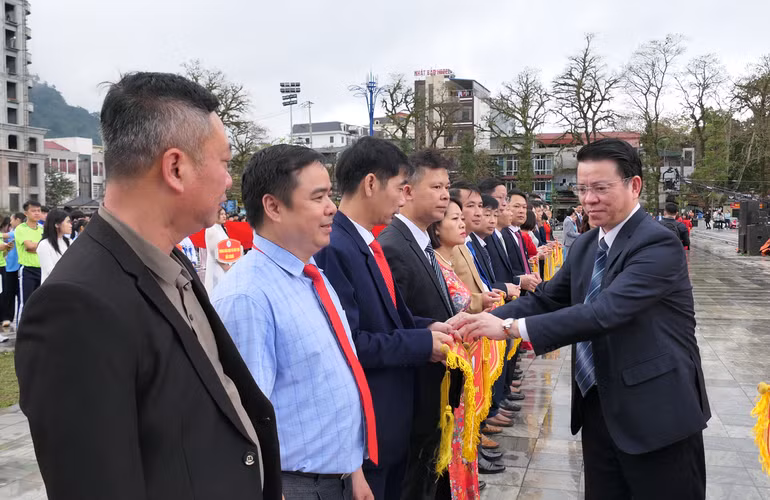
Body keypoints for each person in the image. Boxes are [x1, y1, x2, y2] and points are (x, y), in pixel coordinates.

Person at [15, 72, 281, 500]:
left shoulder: (172, 260)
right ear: (175, 168)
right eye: (224, 162)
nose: (229, 180)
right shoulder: (75, 306)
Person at [450, 138, 710, 500]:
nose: (589, 199)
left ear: (634, 185)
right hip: (599, 407)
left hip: (657, 413)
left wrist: (509, 329)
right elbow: (546, 299)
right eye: (583, 189)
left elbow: (605, 312)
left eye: (600, 188)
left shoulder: (657, 243)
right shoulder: (588, 245)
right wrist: (478, 322)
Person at [213, 144, 376, 500]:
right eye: (318, 197)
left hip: (338, 477)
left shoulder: (311, 273)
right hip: (295, 485)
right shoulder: (248, 297)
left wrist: (354, 470)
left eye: (329, 195)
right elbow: (244, 423)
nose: (332, 207)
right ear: (273, 207)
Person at [313, 137, 456, 499]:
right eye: (399, 188)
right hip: (370, 423)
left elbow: (391, 318)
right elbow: (351, 343)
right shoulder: (335, 248)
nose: (402, 200)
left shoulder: (364, 242)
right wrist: (423, 344)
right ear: (371, 184)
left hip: (392, 420)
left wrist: (429, 327)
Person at [377, 149, 458, 500]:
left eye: (447, 187)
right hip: (414, 396)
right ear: (407, 191)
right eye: (436, 187)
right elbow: (391, 324)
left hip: (433, 392)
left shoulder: (421, 243)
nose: (445, 195)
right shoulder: (392, 246)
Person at [426, 195, 489, 488]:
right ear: (436, 228)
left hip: (467, 362)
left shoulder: (451, 261)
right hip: (452, 362)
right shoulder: (435, 264)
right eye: (455, 219)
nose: (463, 223)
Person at [15, 200, 44, 310]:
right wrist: (39, 246)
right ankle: (22, 322)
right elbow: (29, 247)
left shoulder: (42, 229)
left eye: (39, 211)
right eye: (33, 211)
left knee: (40, 303)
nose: (37, 213)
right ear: (26, 213)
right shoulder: (21, 228)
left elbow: (47, 246)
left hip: (42, 269)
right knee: (26, 303)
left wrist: (35, 246)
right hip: (28, 270)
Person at [36, 209, 72, 284]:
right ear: (57, 224)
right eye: (67, 222)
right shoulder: (44, 244)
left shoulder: (69, 242)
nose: (70, 225)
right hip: (51, 286)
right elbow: (50, 271)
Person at [2, 212, 23, 330]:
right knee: (8, 293)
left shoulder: (19, 231)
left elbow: (4, 235)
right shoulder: (14, 231)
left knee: (18, 295)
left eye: (12, 220)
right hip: (10, 267)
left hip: (18, 267)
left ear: (18, 220)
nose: (10, 222)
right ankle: (7, 317)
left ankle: (15, 318)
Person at [204, 206, 232, 293]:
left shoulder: (221, 228)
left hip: (226, 263)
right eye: (221, 214)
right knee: (216, 288)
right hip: (217, 265)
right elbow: (214, 251)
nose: (224, 216)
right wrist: (225, 266)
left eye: (225, 214)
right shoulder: (211, 229)